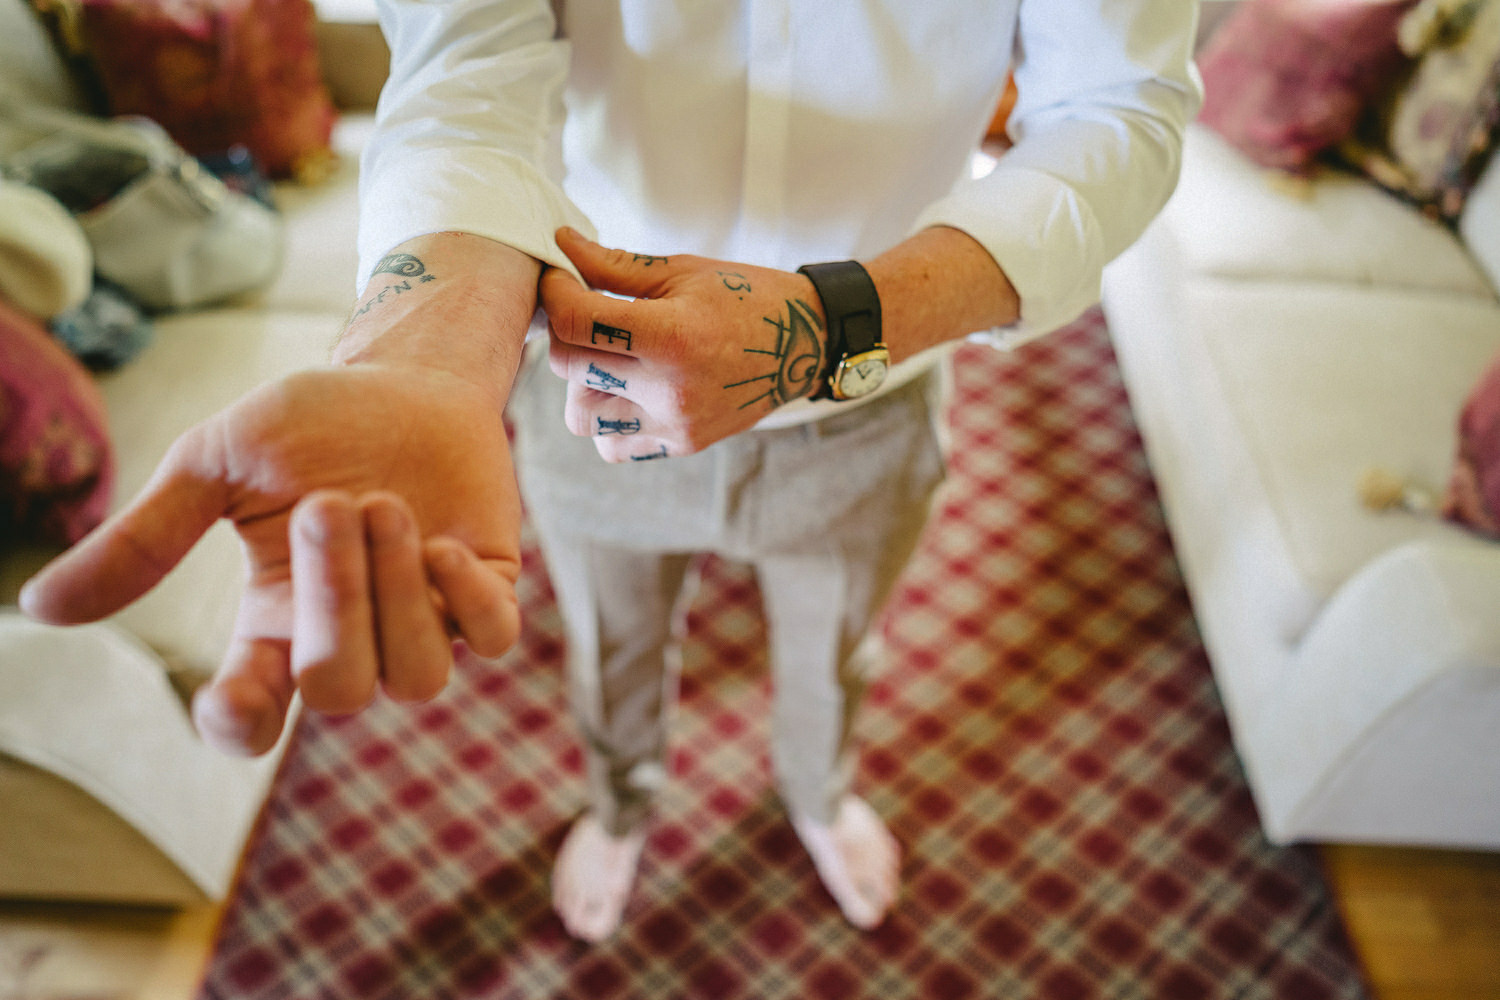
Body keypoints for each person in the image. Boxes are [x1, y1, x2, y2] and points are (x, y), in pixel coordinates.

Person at [21, 0, 1201, 943]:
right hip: (592, 387)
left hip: (870, 391)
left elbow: (1118, 107)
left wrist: (839, 322)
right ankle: (621, 799)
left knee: (836, 639)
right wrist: (422, 360)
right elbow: (467, 63)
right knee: (612, 633)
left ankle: (817, 792)